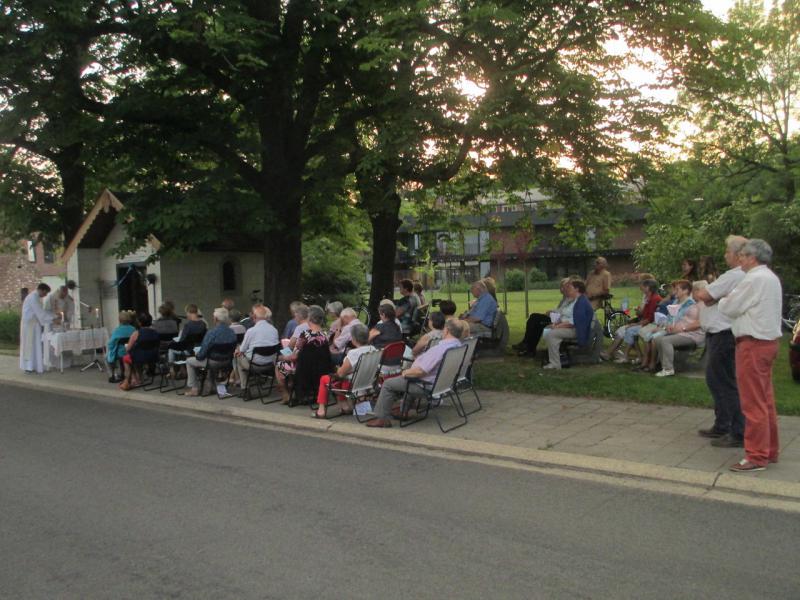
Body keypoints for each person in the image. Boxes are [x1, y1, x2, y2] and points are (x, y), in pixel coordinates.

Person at [718, 239, 783, 472]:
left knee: (752, 403)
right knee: (765, 400)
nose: (740, 259)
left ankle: (756, 456)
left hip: (752, 344)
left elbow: (728, 307)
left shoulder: (753, 279)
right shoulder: (771, 278)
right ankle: (770, 449)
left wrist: (725, 299)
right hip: (768, 342)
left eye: (743, 255)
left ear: (753, 257)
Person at [692, 235, 747, 447]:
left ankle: (737, 430)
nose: (725, 255)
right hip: (721, 334)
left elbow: (704, 295)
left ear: (737, 254)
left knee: (723, 381)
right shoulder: (739, 276)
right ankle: (723, 424)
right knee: (717, 380)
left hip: (723, 334)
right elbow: (710, 296)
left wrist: (709, 294)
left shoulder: (734, 275)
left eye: (727, 251)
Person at [365, 319, 465, 428]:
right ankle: (403, 411)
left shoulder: (440, 349)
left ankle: (381, 418)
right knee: (407, 380)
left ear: (446, 331)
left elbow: (420, 371)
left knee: (389, 384)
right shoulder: (459, 346)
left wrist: (405, 372)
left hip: (426, 385)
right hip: (442, 384)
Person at [314, 323, 376, 418]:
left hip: (352, 387)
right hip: (366, 384)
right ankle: (345, 406)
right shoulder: (373, 349)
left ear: (354, 339)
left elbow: (340, 374)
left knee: (325, 379)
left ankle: (321, 411)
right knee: (341, 380)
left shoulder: (354, 353)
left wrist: (339, 369)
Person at [275, 305, 329, 404]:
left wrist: (283, 357)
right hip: (320, 371)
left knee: (279, 365)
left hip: (303, 371)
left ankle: (286, 395)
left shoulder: (305, 335)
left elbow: (294, 356)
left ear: (310, 318)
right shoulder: (325, 335)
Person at [601, 279, 662, 364]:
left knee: (628, 330)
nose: (641, 288)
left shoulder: (654, 299)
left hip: (650, 325)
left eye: (643, 286)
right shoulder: (648, 298)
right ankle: (616, 353)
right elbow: (644, 315)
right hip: (644, 322)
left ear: (648, 288)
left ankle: (622, 355)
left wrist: (635, 324)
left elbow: (650, 318)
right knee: (623, 330)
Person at [182, 307, 237, 397]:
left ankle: (194, 389)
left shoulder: (211, 333)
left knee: (189, 361)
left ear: (215, 319)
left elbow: (203, 352)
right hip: (227, 362)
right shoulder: (232, 332)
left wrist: (197, 356)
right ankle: (214, 386)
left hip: (212, 362)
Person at [652, 279, 704, 377]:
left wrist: (682, 328)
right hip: (683, 332)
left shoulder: (702, 305)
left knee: (665, 341)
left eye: (694, 291)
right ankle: (664, 365)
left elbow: (699, 323)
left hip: (693, 335)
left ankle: (668, 369)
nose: (692, 293)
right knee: (658, 339)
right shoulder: (695, 304)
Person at [513, 277, 574, 357]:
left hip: (560, 320)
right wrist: (552, 311)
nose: (562, 288)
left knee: (536, 320)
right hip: (557, 318)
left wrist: (552, 313)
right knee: (535, 318)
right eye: (562, 286)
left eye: (565, 286)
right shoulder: (566, 298)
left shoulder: (572, 299)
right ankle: (528, 347)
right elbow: (560, 309)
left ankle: (528, 346)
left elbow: (564, 313)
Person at [542, 279, 594, 370]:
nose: (568, 289)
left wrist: (557, 327)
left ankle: (555, 363)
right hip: (570, 327)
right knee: (548, 331)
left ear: (577, 289)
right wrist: (556, 323)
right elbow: (565, 316)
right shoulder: (574, 301)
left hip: (577, 330)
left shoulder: (581, 302)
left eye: (570, 287)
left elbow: (573, 322)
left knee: (552, 334)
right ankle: (555, 361)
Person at [235, 304, 280, 393]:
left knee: (238, 356)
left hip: (254, 365)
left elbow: (242, 349)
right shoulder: (274, 330)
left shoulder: (251, 331)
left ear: (254, 316)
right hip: (270, 363)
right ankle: (256, 380)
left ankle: (245, 389)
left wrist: (238, 350)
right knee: (245, 354)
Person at [19, 283, 55, 373]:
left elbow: (41, 312)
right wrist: (53, 318)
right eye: (45, 293)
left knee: (35, 346)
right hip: (29, 325)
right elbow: (40, 313)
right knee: (29, 346)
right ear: (42, 290)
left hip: (34, 325)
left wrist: (53, 315)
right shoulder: (33, 297)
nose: (45, 295)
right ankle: (29, 367)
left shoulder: (36, 297)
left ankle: (34, 365)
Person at [119, 312, 160, 391]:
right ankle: (139, 377)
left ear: (139, 323)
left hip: (140, 357)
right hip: (154, 357)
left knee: (126, 358)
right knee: (137, 355)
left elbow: (128, 349)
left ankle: (129, 380)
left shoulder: (136, 333)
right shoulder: (155, 332)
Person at [106, 311, 137, 376]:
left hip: (120, 352)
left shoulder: (117, 330)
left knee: (106, 357)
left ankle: (114, 374)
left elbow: (111, 344)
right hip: (132, 351)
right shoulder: (133, 329)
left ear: (119, 320)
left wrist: (110, 348)